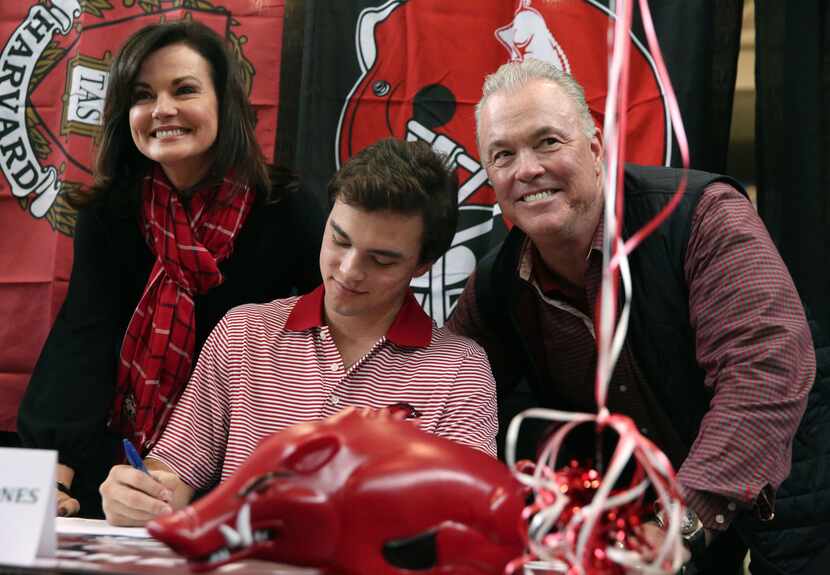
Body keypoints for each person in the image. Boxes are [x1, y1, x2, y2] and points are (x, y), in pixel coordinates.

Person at [446, 59, 815, 573]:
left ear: (596, 147)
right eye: (503, 154)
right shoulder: (498, 282)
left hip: (788, 509)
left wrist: (674, 527)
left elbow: (764, 373)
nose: (526, 169)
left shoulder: (702, 214)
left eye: (548, 142)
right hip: (639, 534)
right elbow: (443, 385)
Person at [98, 138, 499, 526]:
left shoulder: (459, 371)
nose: (347, 270)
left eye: (380, 260)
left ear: (422, 265)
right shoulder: (244, 333)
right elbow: (174, 471)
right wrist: (140, 495)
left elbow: (470, 517)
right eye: (339, 240)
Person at [17, 21, 323, 520]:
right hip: (121, 472)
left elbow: (330, 343)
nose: (162, 110)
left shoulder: (283, 207)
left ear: (225, 102)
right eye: (143, 95)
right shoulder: (111, 211)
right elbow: (83, 339)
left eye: (184, 90)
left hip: (241, 472)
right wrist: (54, 474)